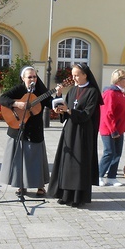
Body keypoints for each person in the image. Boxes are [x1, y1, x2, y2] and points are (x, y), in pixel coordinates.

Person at [48, 63, 102, 207]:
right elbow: (66, 110)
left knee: (79, 165)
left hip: (83, 132)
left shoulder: (92, 92)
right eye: (73, 75)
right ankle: (65, 195)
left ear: (85, 74)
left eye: (77, 75)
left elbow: (86, 114)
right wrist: (60, 104)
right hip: (70, 131)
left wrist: (69, 110)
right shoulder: (72, 90)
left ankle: (78, 197)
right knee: (67, 164)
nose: (74, 78)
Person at [0, 66, 53, 197]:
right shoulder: (19, 90)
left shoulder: (41, 90)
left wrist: (58, 95)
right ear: (23, 78)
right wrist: (16, 104)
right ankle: (21, 185)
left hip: (35, 130)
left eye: (34, 76)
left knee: (36, 159)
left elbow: (50, 103)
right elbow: (2, 98)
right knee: (19, 160)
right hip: (18, 129)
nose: (32, 79)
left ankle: (40, 186)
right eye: (29, 77)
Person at [98, 69, 125, 187]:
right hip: (109, 129)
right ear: (119, 80)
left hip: (119, 128)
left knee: (117, 153)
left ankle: (112, 177)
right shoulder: (110, 93)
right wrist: (113, 130)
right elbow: (107, 113)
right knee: (109, 152)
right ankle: (99, 175)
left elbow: (123, 108)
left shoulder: (121, 93)